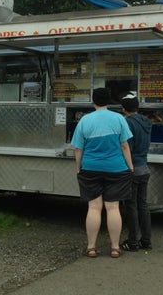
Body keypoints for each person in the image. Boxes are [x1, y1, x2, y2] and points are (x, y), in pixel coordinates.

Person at [71, 88, 134, 258]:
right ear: (109, 101)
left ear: (93, 101)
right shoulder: (119, 118)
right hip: (116, 168)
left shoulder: (85, 120)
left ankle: (91, 247)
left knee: (94, 207)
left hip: (90, 168)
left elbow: (78, 148)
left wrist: (79, 167)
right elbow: (124, 145)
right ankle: (115, 248)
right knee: (113, 207)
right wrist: (130, 166)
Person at [120, 92, 153, 251]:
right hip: (144, 168)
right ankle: (146, 241)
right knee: (143, 205)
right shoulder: (146, 121)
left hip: (132, 168)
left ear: (123, 109)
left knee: (130, 206)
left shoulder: (127, 123)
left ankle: (132, 242)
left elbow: (127, 147)